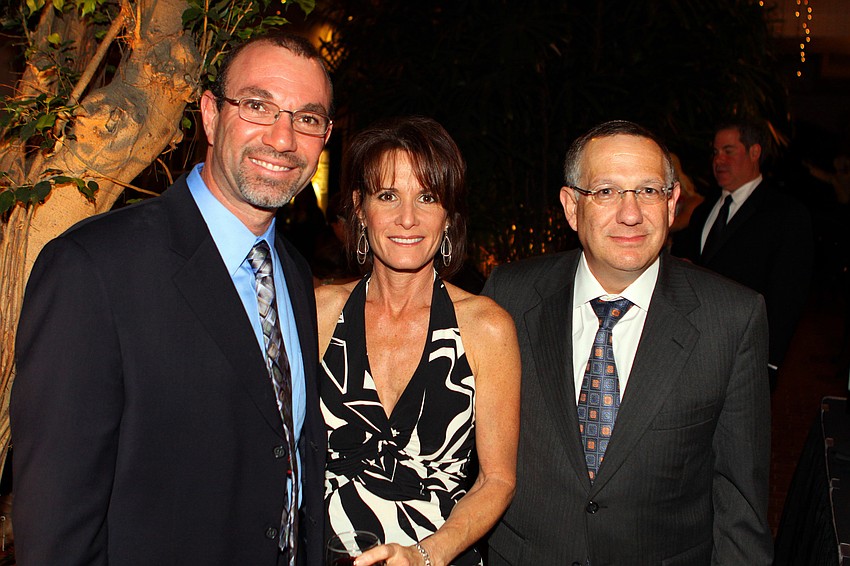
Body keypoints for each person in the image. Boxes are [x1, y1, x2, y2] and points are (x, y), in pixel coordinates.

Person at [11, 32, 332, 565]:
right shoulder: (93, 269)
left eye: (307, 118)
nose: (282, 138)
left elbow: (290, 457)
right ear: (210, 114)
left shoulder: (292, 273)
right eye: (258, 106)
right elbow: (56, 527)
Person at [483, 120, 773, 565]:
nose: (631, 213)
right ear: (571, 206)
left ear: (673, 202)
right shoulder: (509, 296)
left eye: (648, 191)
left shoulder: (731, 319)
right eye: (606, 191)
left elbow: (740, 504)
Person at [316, 116, 520, 566]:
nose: (407, 218)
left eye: (427, 198)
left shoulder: (486, 328)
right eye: (388, 196)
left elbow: (498, 480)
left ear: (448, 215)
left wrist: (425, 556)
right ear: (360, 207)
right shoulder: (318, 312)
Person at [671, 118, 813, 390]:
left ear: (755, 152)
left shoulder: (786, 214)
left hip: (745, 354)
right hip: (691, 349)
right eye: (715, 152)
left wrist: (770, 360)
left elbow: (789, 292)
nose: (718, 160)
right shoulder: (704, 208)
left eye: (728, 150)